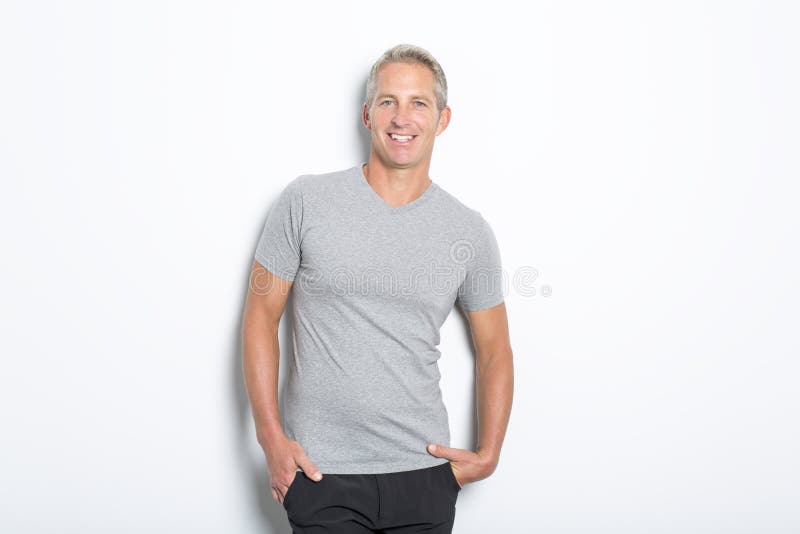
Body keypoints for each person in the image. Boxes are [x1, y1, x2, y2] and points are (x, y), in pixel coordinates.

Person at [241, 43, 514, 533]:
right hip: (320, 472)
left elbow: (495, 350)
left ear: (443, 118)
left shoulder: (469, 232)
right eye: (388, 101)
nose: (401, 117)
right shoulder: (305, 200)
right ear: (367, 114)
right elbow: (261, 316)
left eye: (418, 103)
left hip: (424, 471)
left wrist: (487, 455)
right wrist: (271, 439)